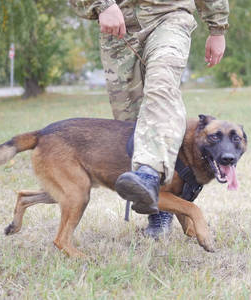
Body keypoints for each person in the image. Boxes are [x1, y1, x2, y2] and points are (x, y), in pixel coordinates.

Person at [70, 0, 228, 238]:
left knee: (161, 88)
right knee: (131, 122)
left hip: (170, 15)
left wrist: (217, 28)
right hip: (120, 24)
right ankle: (156, 203)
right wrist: (102, 5)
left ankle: (150, 176)